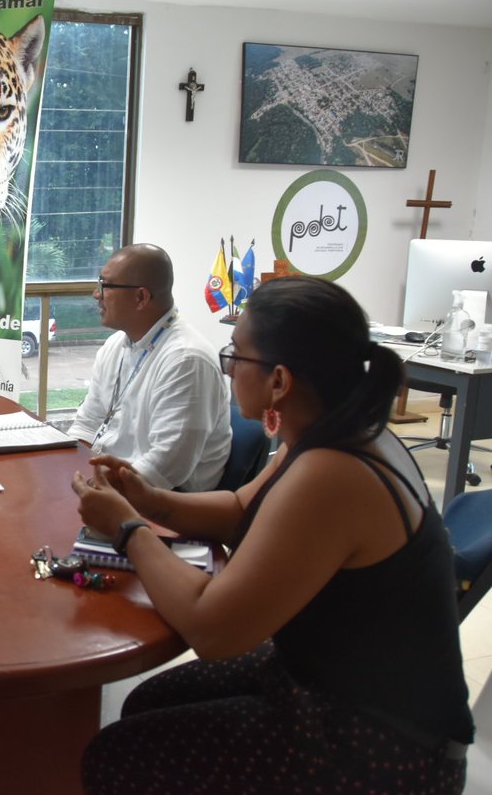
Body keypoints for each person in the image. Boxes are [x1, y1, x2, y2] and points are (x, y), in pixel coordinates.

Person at [71, 277, 472, 794]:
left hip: (385, 743)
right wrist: (151, 499)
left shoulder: (333, 474)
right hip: (325, 676)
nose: (230, 368)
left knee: (118, 756)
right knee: (148, 703)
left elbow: (213, 631)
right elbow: (243, 507)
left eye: (236, 356)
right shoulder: (333, 429)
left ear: (279, 380)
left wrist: (128, 529)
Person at [67, 243, 231, 492]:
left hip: (163, 499)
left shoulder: (187, 361)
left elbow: (164, 468)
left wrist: (91, 486)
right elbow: (88, 423)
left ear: (141, 297)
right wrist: (68, 468)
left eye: (105, 285)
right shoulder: (116, 345)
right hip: (112, 482)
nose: (96, 294)